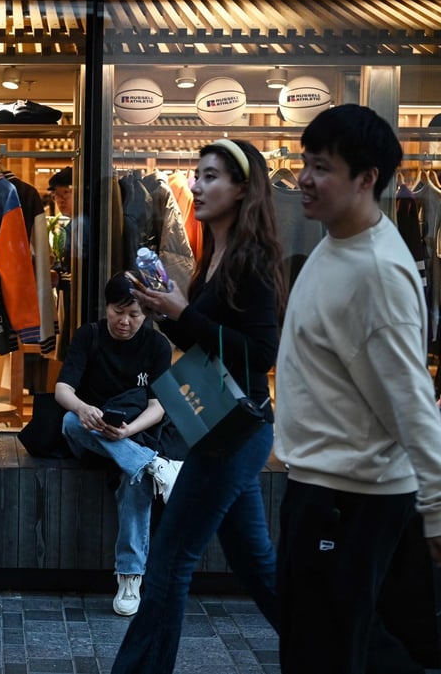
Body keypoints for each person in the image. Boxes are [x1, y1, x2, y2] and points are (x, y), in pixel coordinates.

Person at [273, 104, 441, 672]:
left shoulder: (377, 273)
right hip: (323, 487)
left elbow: (412, 401)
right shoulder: (336, 238)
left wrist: (438, 509)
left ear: (367, 178)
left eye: (321, 167)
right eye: (305, 163)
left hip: (351, 499)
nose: (304, 178)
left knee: (329, 654)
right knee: (333, 644)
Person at [113, 139, 287, 672]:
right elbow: (211, 341)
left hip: (237, 428)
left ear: (241, 189)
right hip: (218, 423)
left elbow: (261, 354)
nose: (196, 185)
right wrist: (165, 312)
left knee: (169, 561)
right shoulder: (216, 257)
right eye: (197, 174)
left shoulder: (252, 262)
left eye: (210, 177)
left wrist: (183, 314)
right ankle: (338, 648)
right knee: (254, 562)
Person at [55, 272, 180, 617]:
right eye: (117, 311)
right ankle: (152, 464)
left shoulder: (156, 345)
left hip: (132, 434)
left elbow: (159, 405)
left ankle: (130, 576)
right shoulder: (89, 335)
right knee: (69, 421)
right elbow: (62, 390)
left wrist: (128, 432)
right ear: (106, 306)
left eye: (134, 315)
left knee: (134, 478)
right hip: (92, 434)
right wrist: (83, 409)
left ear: (146, 315)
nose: (124, 321)